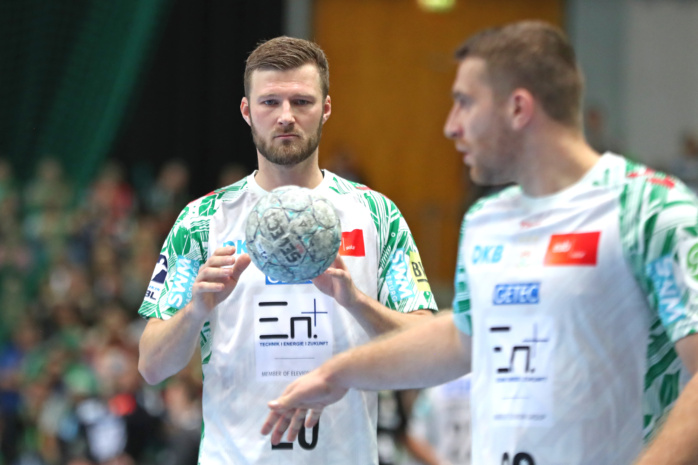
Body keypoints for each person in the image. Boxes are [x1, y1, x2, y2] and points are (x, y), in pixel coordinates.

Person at [261, 21, 698, 465]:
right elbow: (462, 338)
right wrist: (337, 374)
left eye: (465, 103)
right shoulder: (487, 221)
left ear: (518, 108)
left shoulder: (649, 211)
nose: (452, 126)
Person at [137, 36, 436, 464]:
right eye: (270, 102)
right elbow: (151, 366)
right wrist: (196, 309)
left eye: (301, 101)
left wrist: (356, 301)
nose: (286, 116)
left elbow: (426, 353)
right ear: (246, 111)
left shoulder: (375, 214)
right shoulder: (201, 221)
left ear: (326, 108)